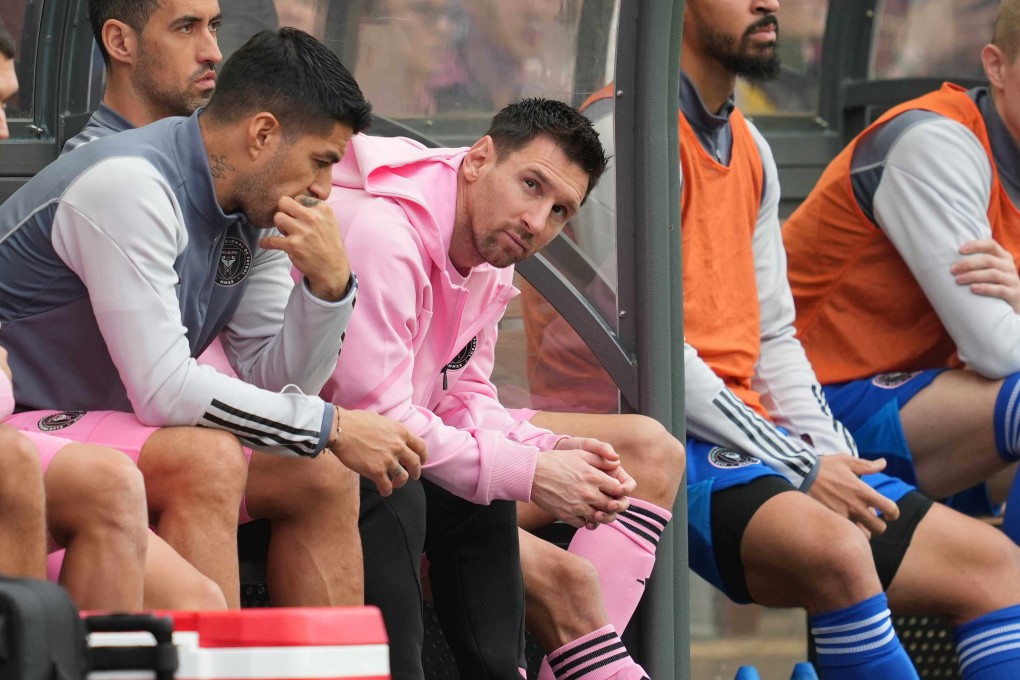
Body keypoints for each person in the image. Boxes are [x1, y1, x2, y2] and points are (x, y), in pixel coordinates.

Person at [532, 0, 1020, 677]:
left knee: (996, 569)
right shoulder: (621, 133)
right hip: (646, 434)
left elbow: (775, 337)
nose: (770, 3)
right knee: (839, 551)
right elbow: (651, 355)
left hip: (746, 429)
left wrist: (824, 450)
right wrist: (801, 467)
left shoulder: (751, 147)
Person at [0, 27, 426, 612]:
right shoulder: (132, 184)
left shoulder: (251, 205)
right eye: (321, 162)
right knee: (207, 458)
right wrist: (336, 426)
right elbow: (165, 390)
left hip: (107, 431)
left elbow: (270, 383)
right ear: (263, 134)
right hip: (19, 427)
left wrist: (329, 290)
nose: (324, 190)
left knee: (319, 474)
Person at [324, 97, 684, 680]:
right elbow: (378, 419)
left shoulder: (493, 249)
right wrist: (531, 471)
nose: (538, 222)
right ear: (479, 158)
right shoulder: (386, 234)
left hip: (399, 458)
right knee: (509, 531)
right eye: (531, 185)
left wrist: (542, 451)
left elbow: (465, 393)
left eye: (562, 210)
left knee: (643, 452)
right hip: (326, 454)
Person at [783, 0, 1020, 527]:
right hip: (806, 405)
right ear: (997, 66)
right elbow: (999, 350)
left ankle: (999, 590)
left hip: (927, 402)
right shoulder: (935, 143)